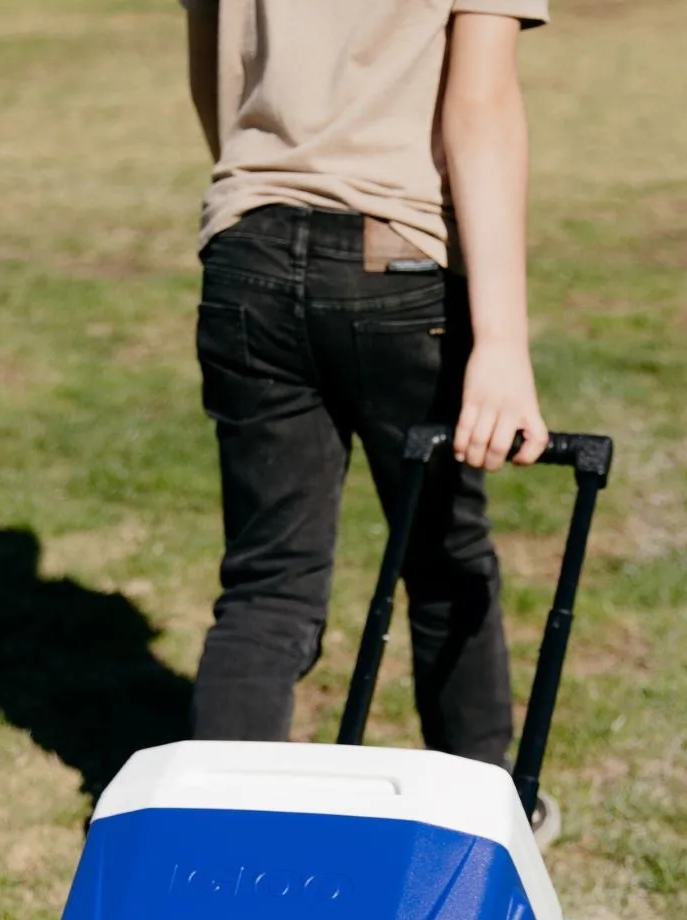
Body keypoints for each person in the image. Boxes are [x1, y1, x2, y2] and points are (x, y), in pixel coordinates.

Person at [178, 0, 554, 822]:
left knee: (267, 585)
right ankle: (486, 818)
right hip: (401, 260)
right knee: (445, 563)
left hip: (247, 250)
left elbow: (217, 73)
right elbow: (480, 105)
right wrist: (501, 342)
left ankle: (208, 850)